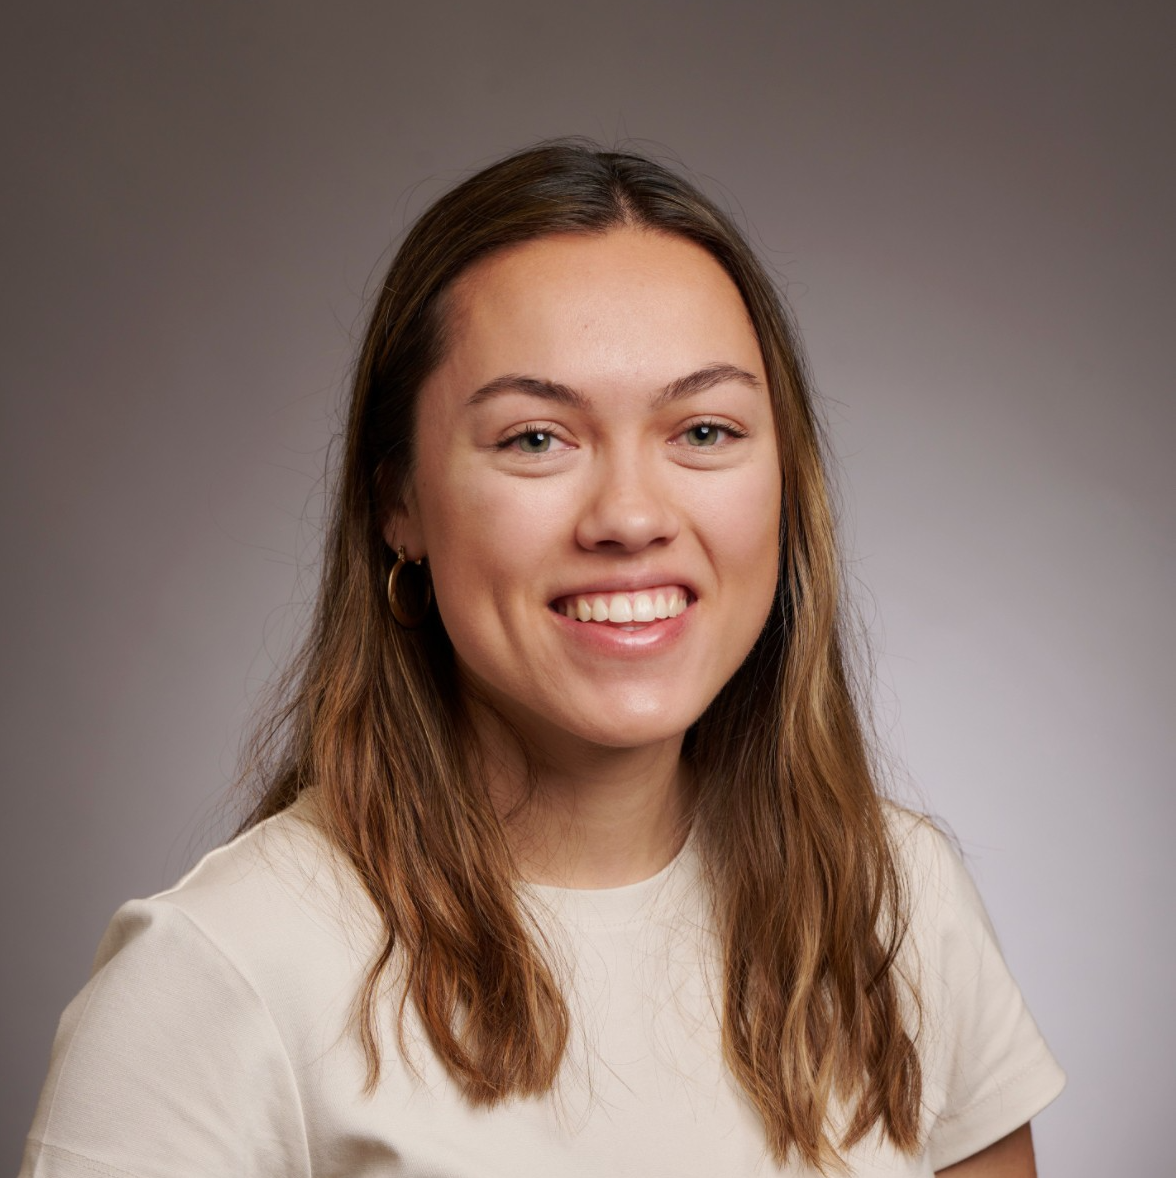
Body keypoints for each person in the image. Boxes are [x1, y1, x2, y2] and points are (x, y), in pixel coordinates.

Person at [21, 141, 1064, 1177]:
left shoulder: (896, 899)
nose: (630, 515)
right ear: (399, 503)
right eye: (535, 438)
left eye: (703, 428)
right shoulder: (217, 976)